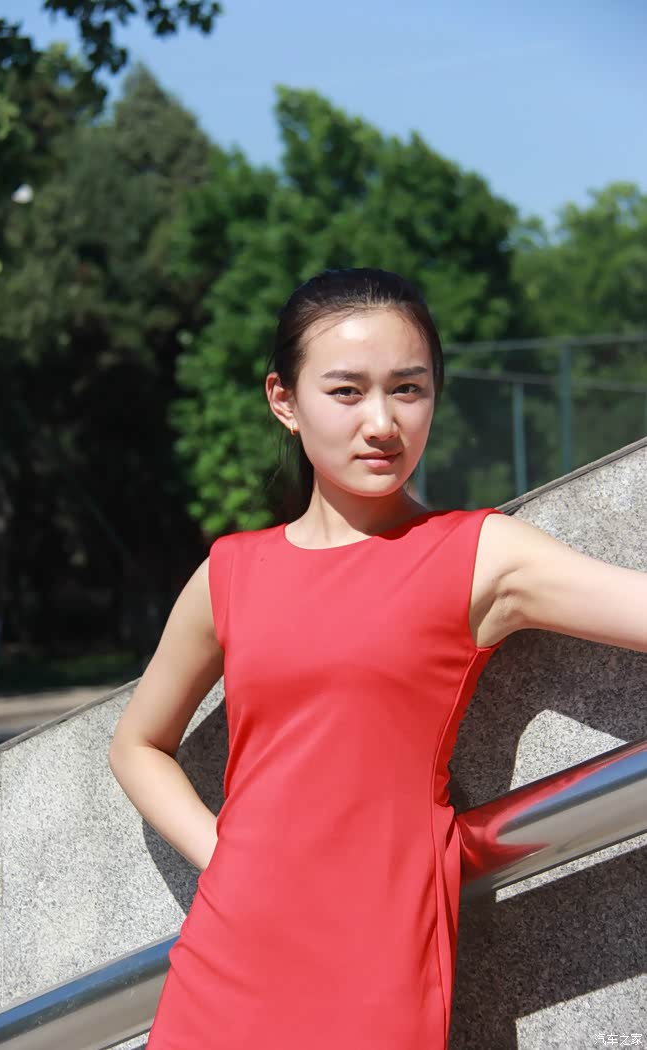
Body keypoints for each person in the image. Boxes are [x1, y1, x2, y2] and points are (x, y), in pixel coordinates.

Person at [108, 267, 647, 1049]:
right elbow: (136, 744)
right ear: (284, 400)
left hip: (376, 964)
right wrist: (226, 858)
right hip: (227, 961)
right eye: (347, 391)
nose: (383, 422)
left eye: (408, 388)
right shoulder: (231, 572)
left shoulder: (479, 556)